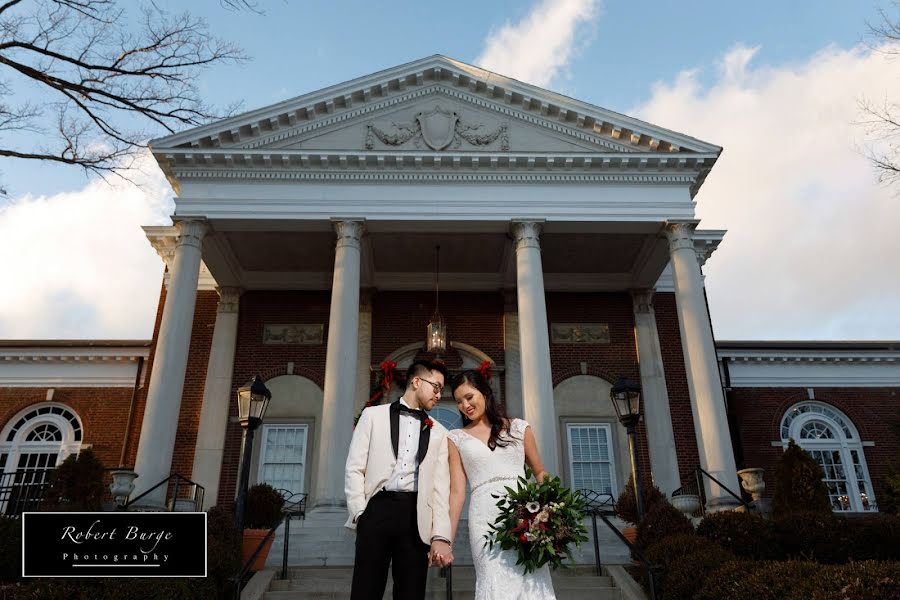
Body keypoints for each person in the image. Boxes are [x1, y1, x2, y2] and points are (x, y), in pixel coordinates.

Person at [345, 359, 454, 600]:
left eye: (442, 390)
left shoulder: (439, 432)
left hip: (416, 519)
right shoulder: (373, 416)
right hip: (377, 510)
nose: (439, 394)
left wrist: (440, 535)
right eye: (436, 387)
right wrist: (360, 514)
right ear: (416, 382)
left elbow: (440, 489)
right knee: (365, 590)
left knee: (411, 593)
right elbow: (355, 468)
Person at [447, 369, 557, 599]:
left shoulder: (519, 428)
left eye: (469, 397)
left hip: (524, 514)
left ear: (485, 393)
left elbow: (539, 472)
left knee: (530, 581)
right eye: (458, 401)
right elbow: (457, 492)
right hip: (483, 521)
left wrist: (555, 511)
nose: (464, 405)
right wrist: (446, 539)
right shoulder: (455, 438)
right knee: (493, 581)